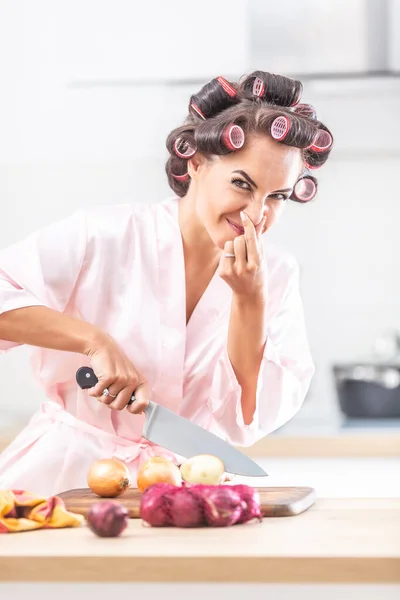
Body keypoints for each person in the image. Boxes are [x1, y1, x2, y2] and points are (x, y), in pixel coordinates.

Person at [0, 71, 333, 496]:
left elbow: (244, 422)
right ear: (195, 162)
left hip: (184, 490)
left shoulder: (278, 275)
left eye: (277, 197)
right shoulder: (103, 235)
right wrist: (93, 342)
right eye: (241, 184)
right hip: (63, 478)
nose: (255, 213)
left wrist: (250, 301)